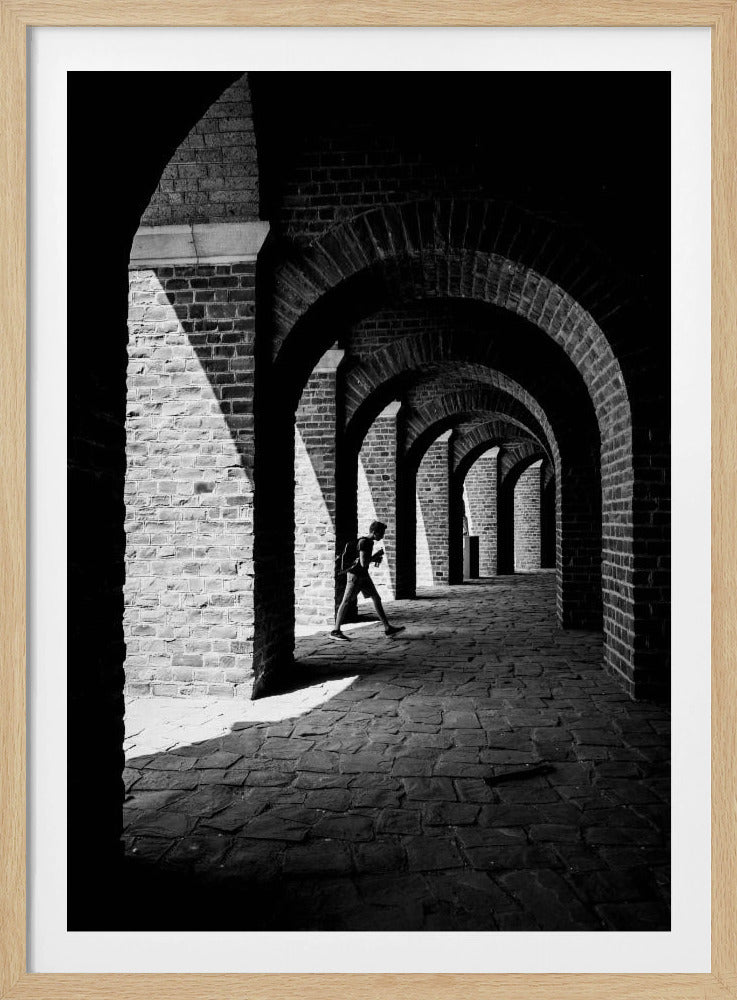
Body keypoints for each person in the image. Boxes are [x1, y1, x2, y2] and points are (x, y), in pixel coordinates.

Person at [331, 521, 405, 642]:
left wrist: (374, 557)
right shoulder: (365, 543)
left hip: (363, 576)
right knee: (346, 601)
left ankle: (388, 628)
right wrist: (375, 556)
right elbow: (363, 563)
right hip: (355, 576)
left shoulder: (366, 541)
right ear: (374, 532)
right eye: (381, 533)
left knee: (376, 598)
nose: (382, 536)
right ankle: (336, 630)